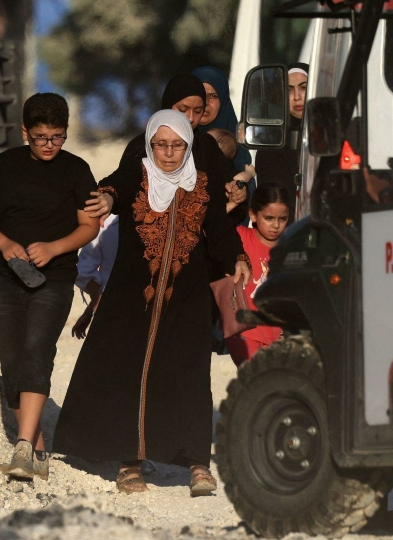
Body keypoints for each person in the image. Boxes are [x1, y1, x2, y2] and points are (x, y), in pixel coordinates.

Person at [52, 110, 251, 496]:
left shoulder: (202, 182)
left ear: (188, 145)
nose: (169, 153)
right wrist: (108, 198)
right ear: (149, 145)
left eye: (177, 145)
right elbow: (114, 187)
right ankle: (129, 465)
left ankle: (197, 464)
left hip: (186, 298)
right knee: (130, 372)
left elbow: (220, 231)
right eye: (161, 145)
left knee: (188, 374)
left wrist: (238, 258)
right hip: (133, 297)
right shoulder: (138, 173)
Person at [0, 93, 100, 481]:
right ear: (25, 132)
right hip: (9, 277)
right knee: (12, 366)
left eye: (57, 137)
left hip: (56, 278)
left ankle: (23, 450)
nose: (48, 146)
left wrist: (54, 248)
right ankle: (38, 451)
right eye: (40, 137)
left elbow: (89, 226)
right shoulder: (6, 164)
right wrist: (5, 244)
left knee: (37, 352)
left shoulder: (77, 170)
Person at [102, 74, 251, 223]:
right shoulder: (142, 146)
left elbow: (228, 184)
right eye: (183, 110)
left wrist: (238, 193)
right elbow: (121, 184)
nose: (190, 118)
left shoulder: (207, 147)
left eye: (198, 111)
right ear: (168, 105)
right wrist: (109, 197)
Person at [225, 185, 289, 366]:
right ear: (253, 215)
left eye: (282, 218)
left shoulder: (290, 248)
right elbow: (207, 227)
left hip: (279, 335)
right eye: (269, 218)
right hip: (244, 332)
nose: (276, 225)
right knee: (258, 378)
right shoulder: (240, 237)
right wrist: (230, 204)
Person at [254, 62, 308, 217]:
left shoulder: (330, 132)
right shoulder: (271, 144)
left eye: (303, 88)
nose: (297, 97)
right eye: (289, 90)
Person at [192, 65, 253, 173]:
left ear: (223, 100)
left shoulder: (235, 145)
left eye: (213, 96)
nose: (205, 102)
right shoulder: (172, 137)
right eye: (200, 93)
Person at [70, 214, 118, 340]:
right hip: (110, 311)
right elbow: (84, 269)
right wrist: (95, 304)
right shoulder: (106, 224)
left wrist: (93, 306)